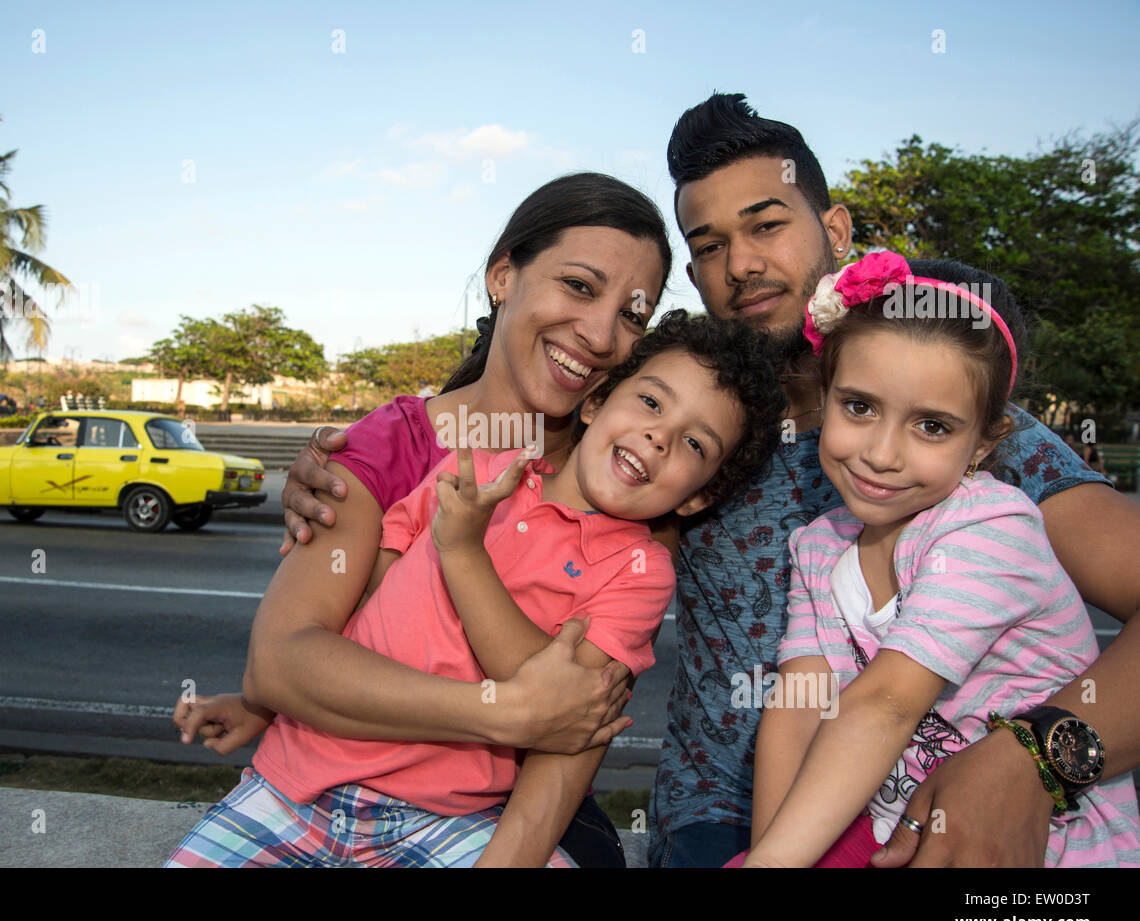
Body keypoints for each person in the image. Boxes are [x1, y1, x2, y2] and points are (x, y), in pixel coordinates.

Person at [279, 94, 1140, 868]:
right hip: (714, 819)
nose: (742, 264)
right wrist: (347, 463)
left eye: (768, 225)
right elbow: (487, 448)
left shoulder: (960, 438)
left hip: (928, 806)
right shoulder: (657, 441)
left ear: (836, 233)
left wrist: (1037, 756)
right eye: (710, 246)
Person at [176, 172, 681, 866]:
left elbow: (578, 723)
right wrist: (506, 709)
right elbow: (283, 661)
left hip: (496, 817)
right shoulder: (388, 448)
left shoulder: (628, 490)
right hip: (319, 789)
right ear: (503, 275)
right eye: (580, 286)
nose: (600, 333)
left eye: (632, 313)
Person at [167, 314, 786, 866]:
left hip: (448, 818)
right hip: (293, 784)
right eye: (651, 402)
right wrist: (271, 704)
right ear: (595, 402)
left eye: (696, 443)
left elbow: (550, 701)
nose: (660, 436)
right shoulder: (479, 466)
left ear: (701, 494)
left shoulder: (639, 573)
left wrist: (463, 552)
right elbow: (364, 612)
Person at [733, 252, 1139, 867]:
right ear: (824, 399)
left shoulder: (991, 530)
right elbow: (797, 707)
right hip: (893, 834)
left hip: (1050, 853)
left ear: (984, 443)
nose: (882, 454)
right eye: (860, 407)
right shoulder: (815, 546)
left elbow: (888, 703)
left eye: (931, 426)